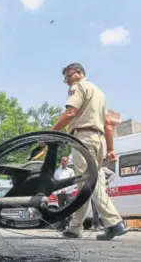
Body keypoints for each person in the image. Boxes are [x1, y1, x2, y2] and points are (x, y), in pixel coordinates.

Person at [49, 62, 128, 240]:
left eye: (68, 76)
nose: (67, 81)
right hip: (97, 140)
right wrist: (110, 149)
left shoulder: (79, 87)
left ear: (78, 73)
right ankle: (75, 227)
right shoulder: (99, 92)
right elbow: (108, 124)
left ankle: (114, 223)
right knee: (85, 184)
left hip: (83, 137)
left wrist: (51, 132)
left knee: (89, 182)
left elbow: (70, 113)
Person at [53, 156, 75, 231]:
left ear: (67, 162)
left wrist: (66, 189)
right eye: (62, 161)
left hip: (68, 193)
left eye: (65, 161)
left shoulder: (71, 171)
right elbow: (55, 182)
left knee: (69, 210)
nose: (64, 162)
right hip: (60, 193)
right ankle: (62, 227)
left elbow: (73, 182)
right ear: (61, 162)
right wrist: (58, 192)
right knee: (61, 210)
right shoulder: (57, 171)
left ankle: (69, 226)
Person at [91, 166, 116, 231]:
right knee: (95, 210)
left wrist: (107, 181)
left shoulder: (103, 169)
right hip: (94, 191)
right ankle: (96, 225)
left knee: (104, 209)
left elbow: (113, 174)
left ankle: (107, 225)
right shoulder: (91, 170)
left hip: (102, 191)